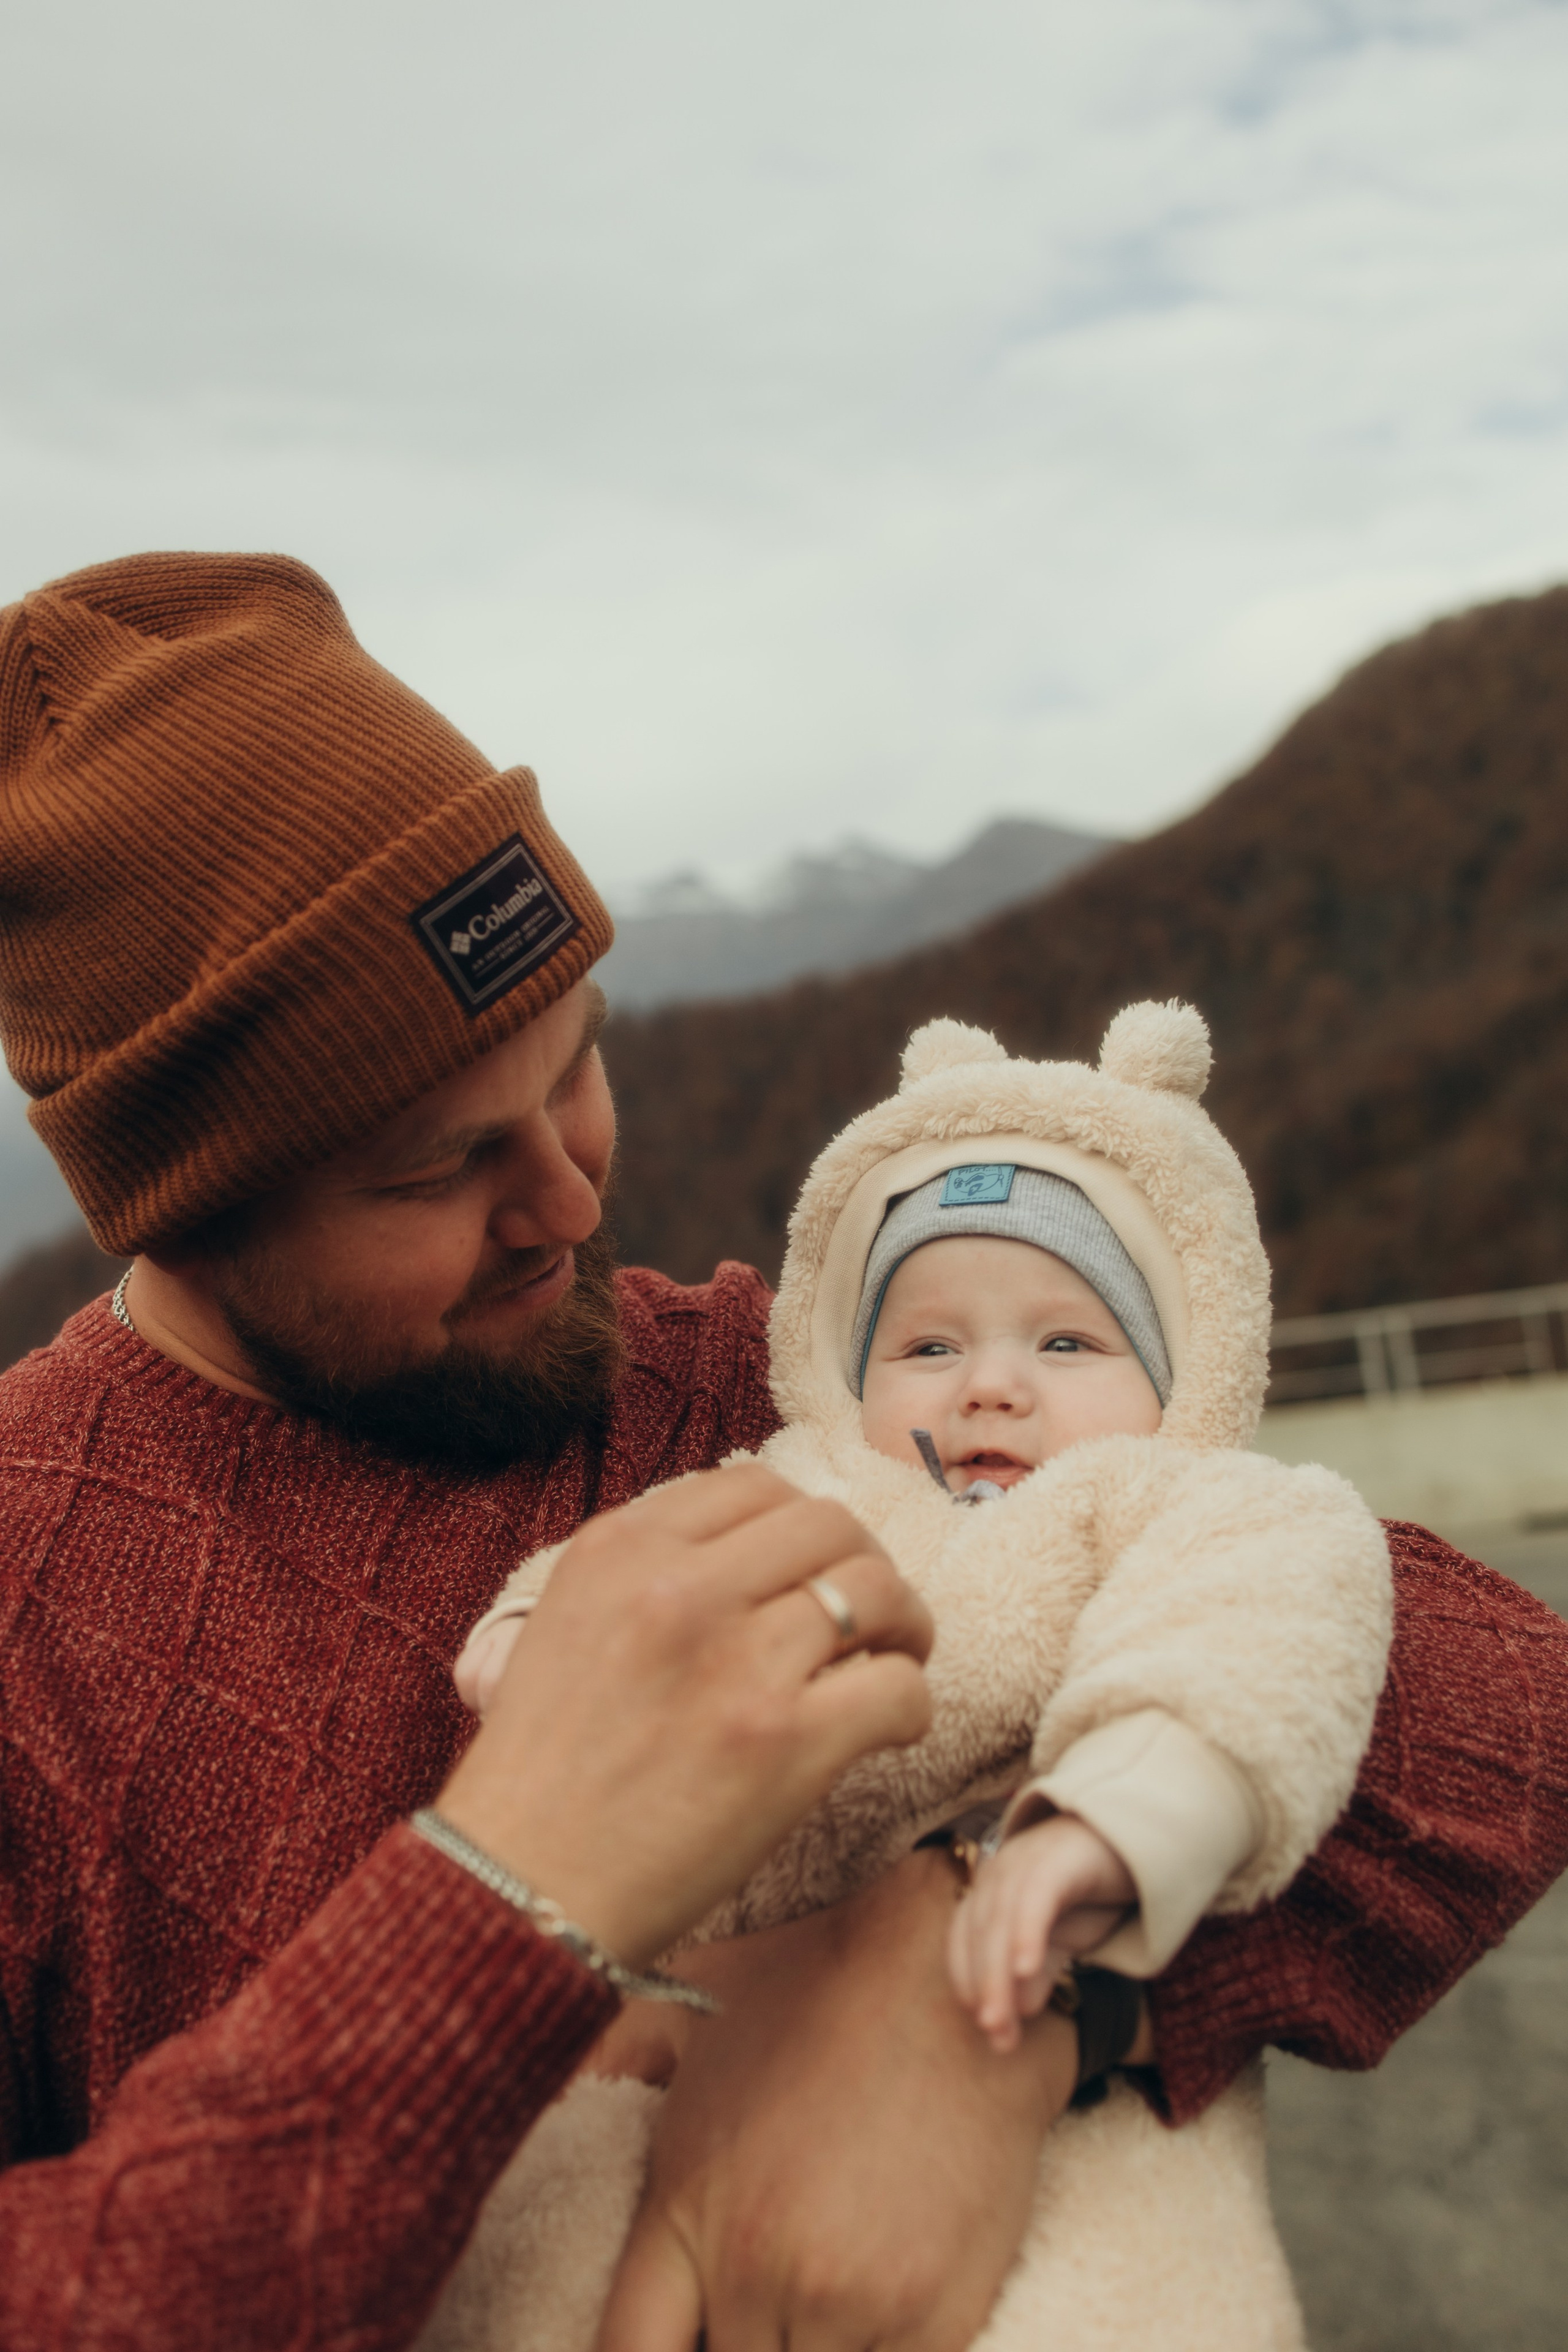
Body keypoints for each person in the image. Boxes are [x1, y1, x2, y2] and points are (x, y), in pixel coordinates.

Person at [2, 551, 1567, 2352]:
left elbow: (1486, 1700)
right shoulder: (28, 1612)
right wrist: (502, 1912)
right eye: (436, 1167)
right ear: (179, 1209)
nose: (572, 1200)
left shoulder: (727, 1380)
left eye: (577, 1062)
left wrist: (982, 1985)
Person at [447, 1001, 1390, 2350]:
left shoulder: (1178, 1503)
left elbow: (1266, 1633)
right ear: (848, 1366)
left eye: (1065, 1345)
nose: (988, 1388)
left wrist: (1109, 1823)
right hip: (679, 2036)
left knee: (1128, 2292)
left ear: (1187, 1371)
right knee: (532, 2254)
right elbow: (650, 1565)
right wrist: (538, 1630)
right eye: (929, 1346)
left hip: (1045, 2050)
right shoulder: (809, 1480)